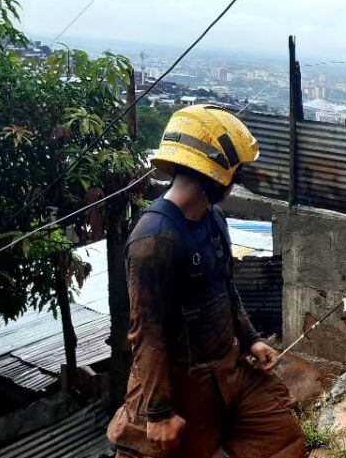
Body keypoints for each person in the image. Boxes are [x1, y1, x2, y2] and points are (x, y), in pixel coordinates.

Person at [107, 105, 303, 458]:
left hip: (227, 370)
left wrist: (251, 339)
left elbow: (225, 287)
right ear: (215, 173)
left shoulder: (212, 216)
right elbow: (146, 333)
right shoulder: (154, 240)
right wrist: (159, 412)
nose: (235, 182)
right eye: (235, 173)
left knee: (282, 440)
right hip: (180, 384)